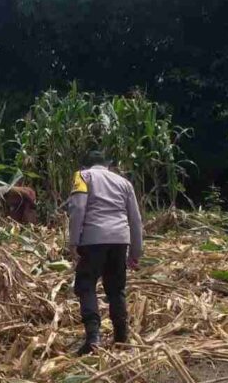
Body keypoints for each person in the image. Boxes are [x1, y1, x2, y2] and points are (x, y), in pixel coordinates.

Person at [67, 150, 143, 355]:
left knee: (86, 285)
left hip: (93, 239)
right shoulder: (124, 183)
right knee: (116, 289)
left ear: (86, 165)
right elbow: (135, 219)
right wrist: (135, 252)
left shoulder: (82, 176)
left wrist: (73, 242)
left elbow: (78, 209)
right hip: (120, 240)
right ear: (107, 165)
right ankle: (121, 337)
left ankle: (93, 338)